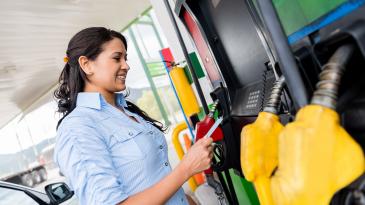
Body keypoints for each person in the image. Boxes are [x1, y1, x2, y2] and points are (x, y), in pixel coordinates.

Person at [53, 27, 214, 205]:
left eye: (125, 58)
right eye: (116, 58)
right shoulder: (77, 128)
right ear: (86, 64)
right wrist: (186, 169)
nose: (126, 65)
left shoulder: (126, 111)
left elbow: (153, 179)